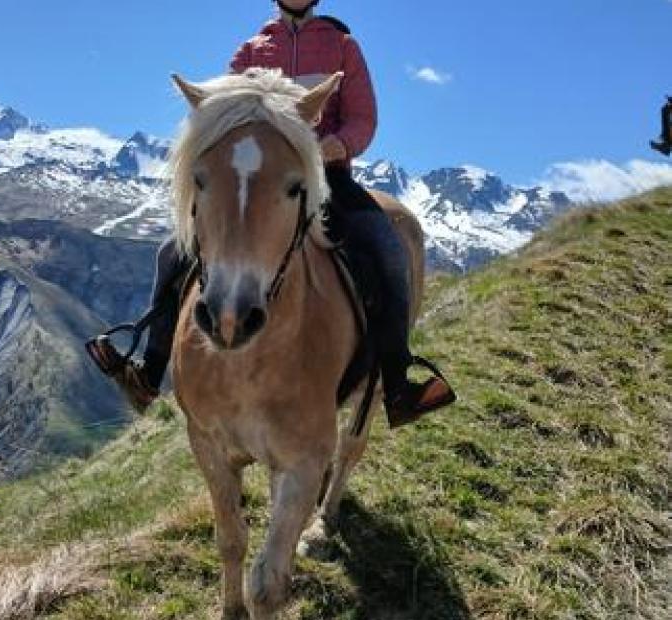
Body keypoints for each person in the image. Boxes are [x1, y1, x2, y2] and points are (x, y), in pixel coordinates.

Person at [87, 0, 456, 427]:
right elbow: (224, 114)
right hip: (260, 182)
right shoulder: (252, 50)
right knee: (172, 252)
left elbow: (362, 120)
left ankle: (397, 383)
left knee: (386, 246)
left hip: (325, 174)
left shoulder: (342, 45)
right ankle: (150, 372)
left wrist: (329, 148)